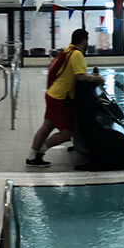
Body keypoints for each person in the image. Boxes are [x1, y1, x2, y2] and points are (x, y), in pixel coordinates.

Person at [27, 29, 101, 167]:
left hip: (52, 93)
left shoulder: (67, 50)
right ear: (84, 40)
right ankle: (39, 153)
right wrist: (97, 78)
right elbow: (80, 76)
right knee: (66, 134)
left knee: (47, 126)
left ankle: (31, 156)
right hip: (60, 98)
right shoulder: (77, 54)